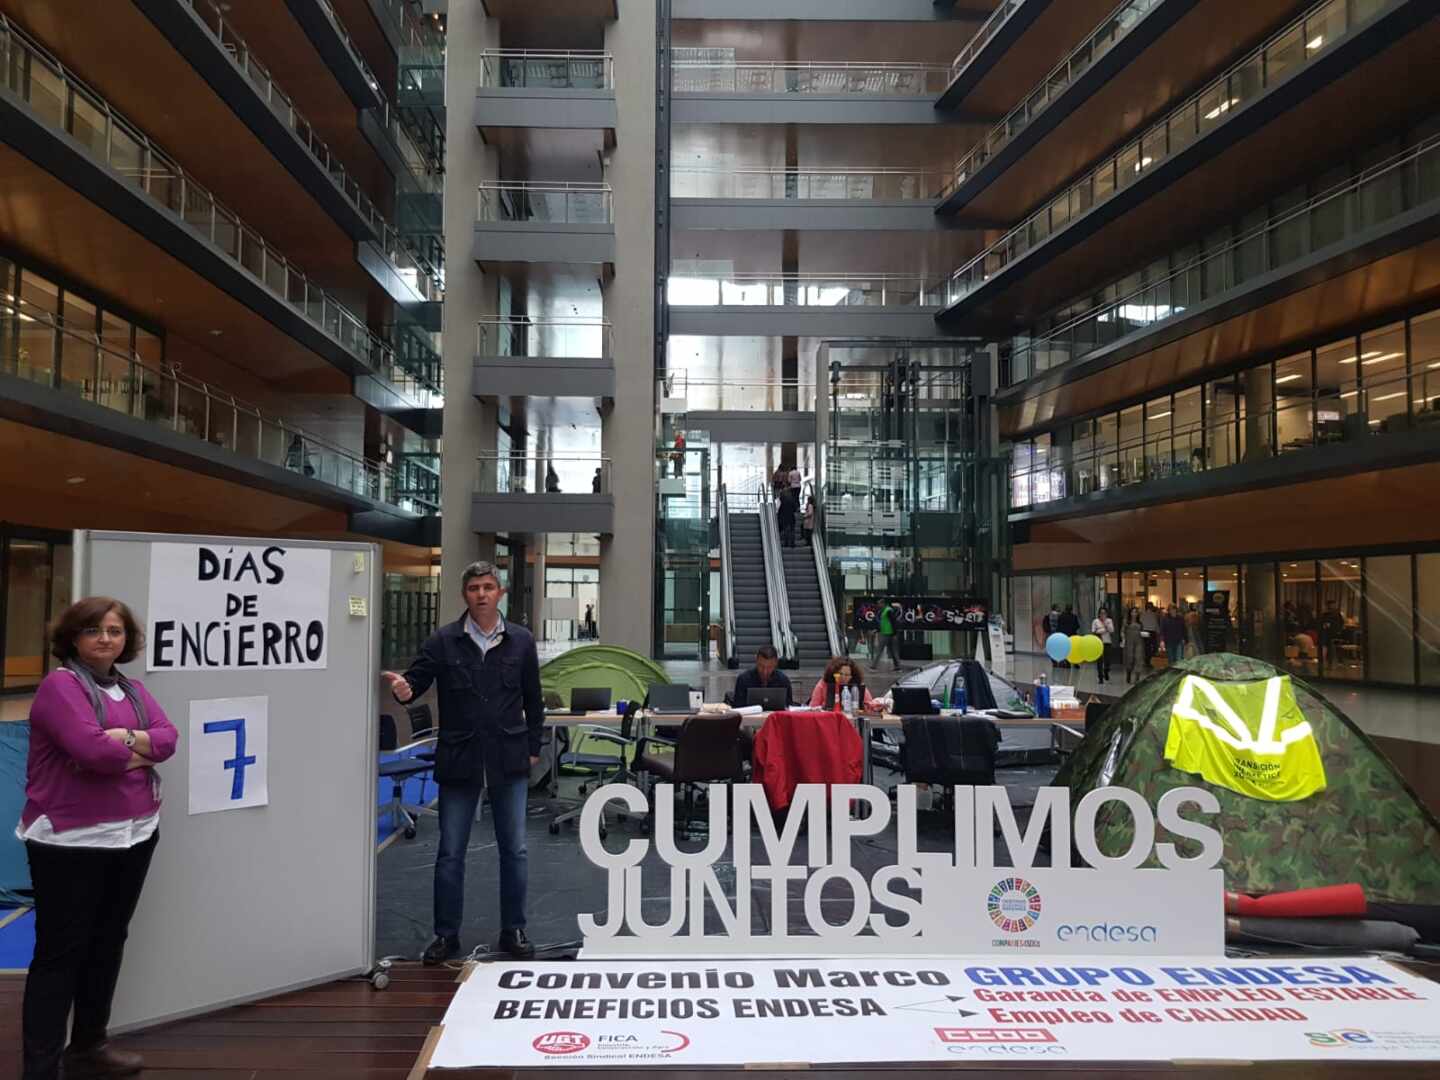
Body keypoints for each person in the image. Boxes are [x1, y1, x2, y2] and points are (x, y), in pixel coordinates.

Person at [20, 597, 179, 1080]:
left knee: (108, 941)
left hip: (134, 833)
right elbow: (92, 752)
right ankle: (41, 1067)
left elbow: (169, 739)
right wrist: (136, 745)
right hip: (71, 839)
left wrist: (123, 740)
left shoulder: (129, 690)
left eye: (114, 630)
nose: (105, 638)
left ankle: (88, 1046)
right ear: (72, 638)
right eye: (93, 630)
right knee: (59, 952)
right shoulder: (59, 687)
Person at [382, 561, 544, 966]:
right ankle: (445, 935)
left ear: (500, 593)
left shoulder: (521, 641)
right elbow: (415, 682)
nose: (482, 594)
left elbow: (534, 699)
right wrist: (404, 691)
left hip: (508, 755)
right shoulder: (443, 641)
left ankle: (514, 929)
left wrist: (535, 745)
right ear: (464, 595)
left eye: (489, 586)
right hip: (460, 755)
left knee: (516, 850)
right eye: (474, 588)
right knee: (451, 851)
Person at [808, 657, 880, 713]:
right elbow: (813, 707)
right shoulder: (823, 684)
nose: (843, 677)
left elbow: (870, 705)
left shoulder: (858, 686)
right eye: (840, 674)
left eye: (846, 675)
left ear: (852, 676)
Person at [875, 598, 902, 671]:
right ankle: (897, 667)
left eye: (879, 603)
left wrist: (894, 633)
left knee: (880, 649)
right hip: (887, 632)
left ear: (883, 604)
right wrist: (878, 630)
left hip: (889, 633)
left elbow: (893, 622)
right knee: (893, 651)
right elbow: (883, 623)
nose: (878, 605)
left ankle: (873, 666)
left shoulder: (888, 610)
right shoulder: (883, 611)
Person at [1091, 606, 1115, 685]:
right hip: (1098, 643)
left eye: (1104, 613)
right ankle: (1100, 677)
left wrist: (1104, 626)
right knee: (1099, 661)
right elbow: (1094, 631)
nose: (1102, 614)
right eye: (1101, 613)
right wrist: (1104, 629)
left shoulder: (1109, 620)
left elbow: (1111, 630)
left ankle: (1106, 670)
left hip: (1107, 642)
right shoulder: (1095, 621)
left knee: (1107, 660)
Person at [1319, 600, 1346, 671]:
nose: (1331, 606)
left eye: (1332, 605)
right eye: (1329, 605)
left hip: (1335, 633)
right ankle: (1329, 664)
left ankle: (1336, 663)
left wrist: (1338, 630)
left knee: (1333, 648)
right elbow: (1321, 623)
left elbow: (1341, 623)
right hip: (1327, 633)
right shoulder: (1325, 614)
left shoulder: (1337, 614)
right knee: (1329, 648)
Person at [1122, 608, 1146, 684]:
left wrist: (1144, 634)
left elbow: (1142, 632)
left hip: (1139, 642)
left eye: (1136, 612)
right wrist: (1123, 639)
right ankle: (1128, 673)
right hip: (1129, 642)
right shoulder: (1126, 622)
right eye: (1133, 612)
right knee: (1130, 659)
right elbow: (1122, 631)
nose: (1134, 614)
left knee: (1138, 658)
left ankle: (1137, 677)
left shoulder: (1140, 623)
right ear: (1130, 613)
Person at [1057, 604, 1080, 668]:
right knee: (1074, 650)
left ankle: (1067, 663)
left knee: (1065, 649)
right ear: (1071, 609)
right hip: (1072, 635)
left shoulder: (1061, 616)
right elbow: (1077, 626)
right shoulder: (1074, 617)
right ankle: (1075, 663)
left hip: (1064, 636)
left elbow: (1059, 627)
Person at [1043, 604, 1062, 668]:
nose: (1059, 608)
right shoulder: (1058, 615)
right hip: (1057, 634)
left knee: (1052, 648)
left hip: (1050, 634)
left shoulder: (1049, 615)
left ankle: (1054, 661)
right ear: (1055, 608)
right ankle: (1059, 660)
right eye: (1058, 607)